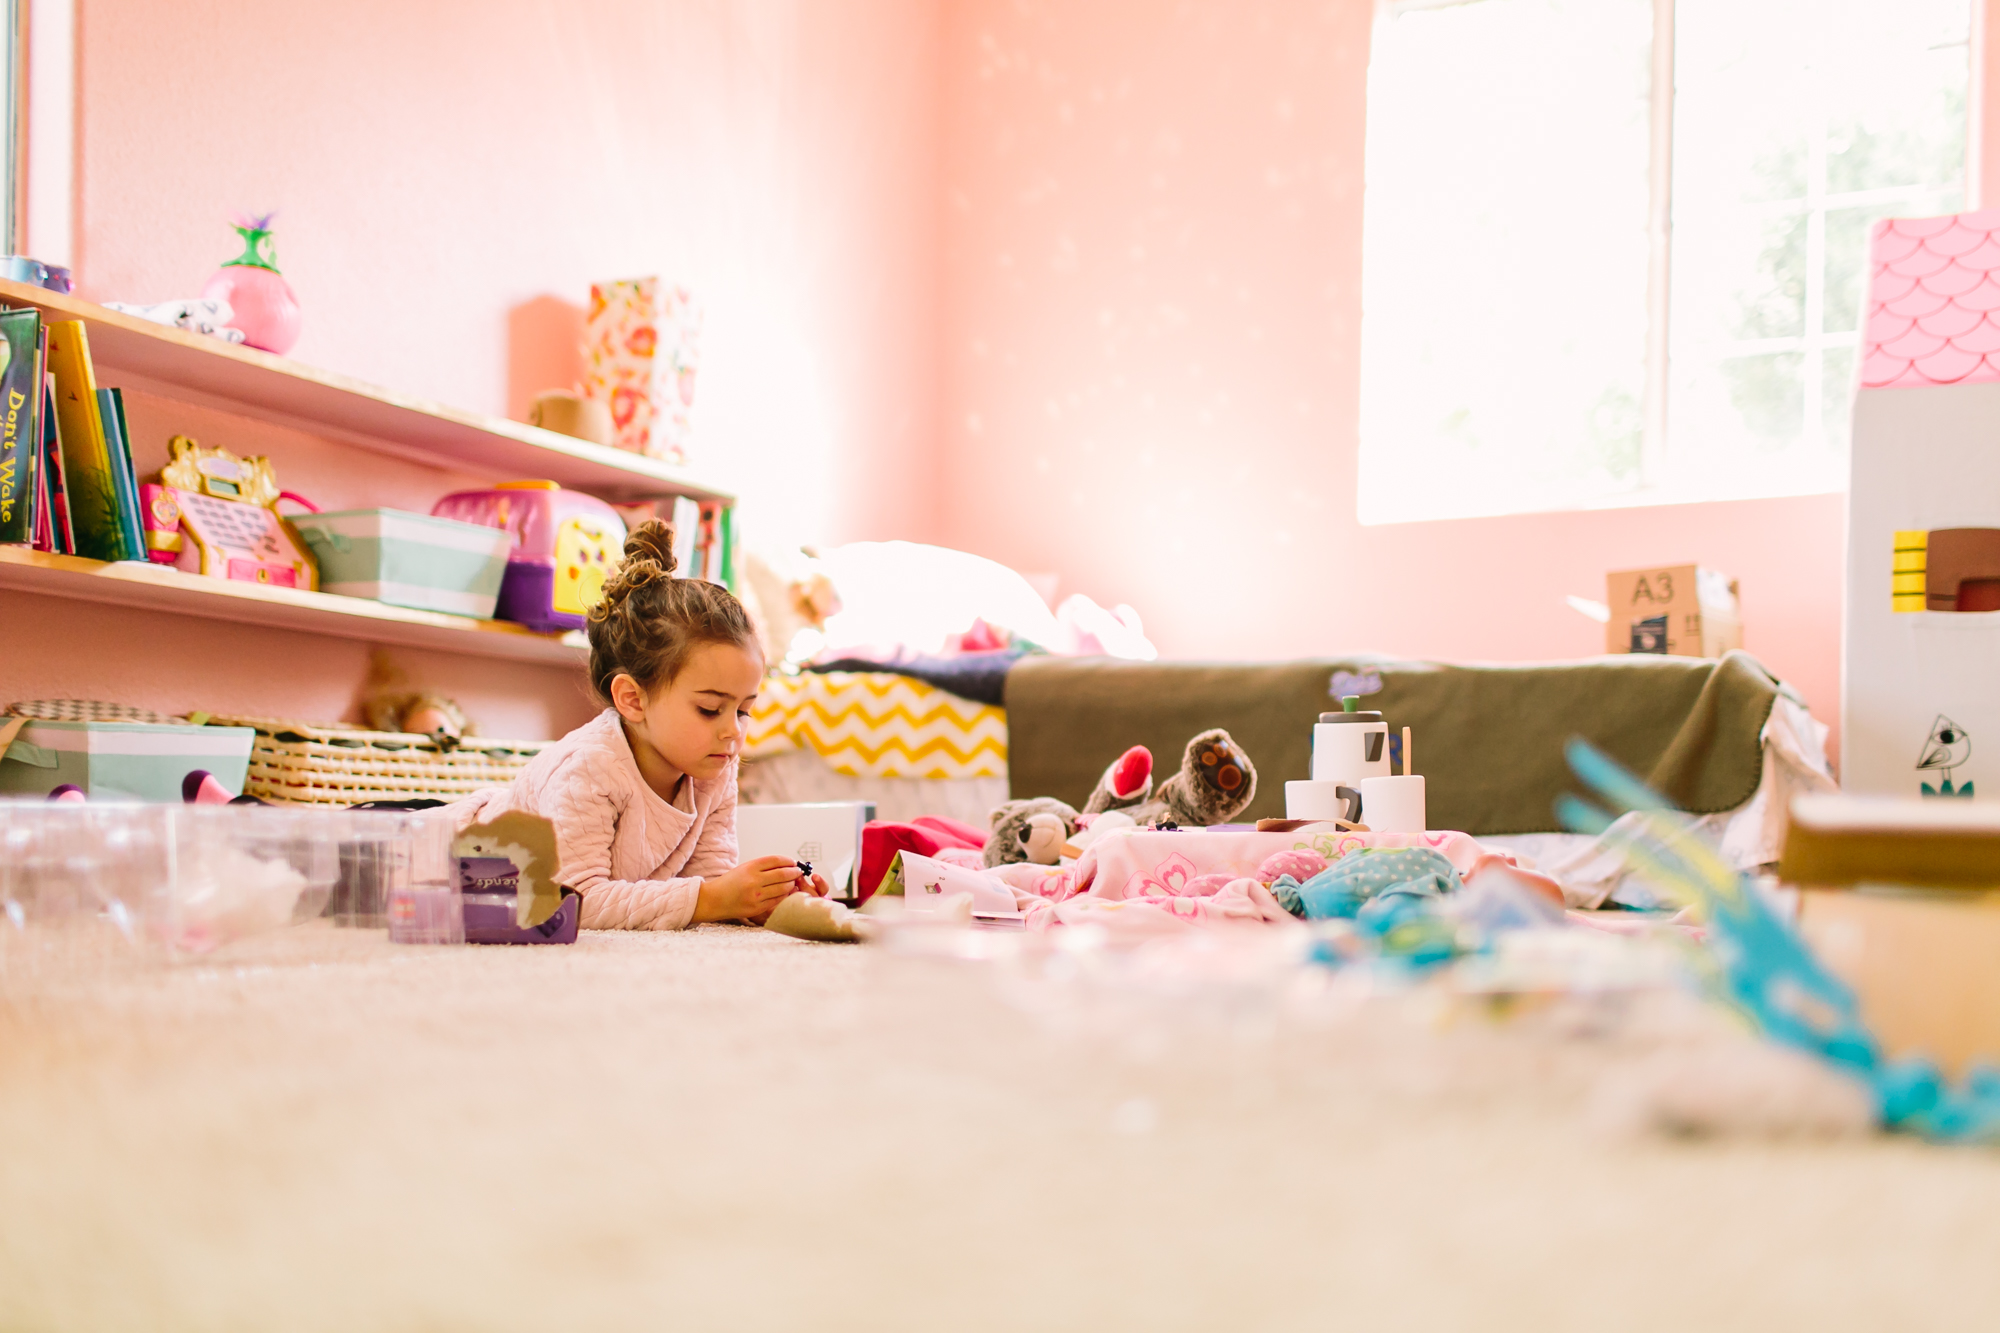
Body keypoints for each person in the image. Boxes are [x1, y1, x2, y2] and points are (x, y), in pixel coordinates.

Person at [452, 519, 826, 928]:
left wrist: (760, 900)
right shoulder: (590, 767)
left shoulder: (713, 767)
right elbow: (572, 900)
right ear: (632, 699)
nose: (733, 731)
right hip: (444, 860)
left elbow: (709, 881)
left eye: (743, 711)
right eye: (709, 709)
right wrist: (712, 898)